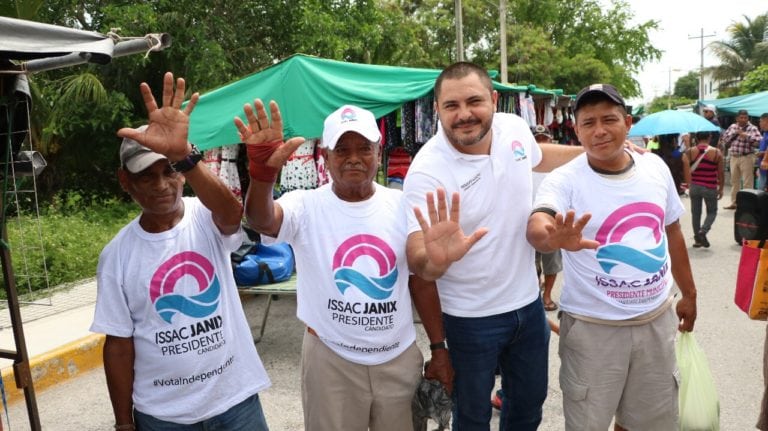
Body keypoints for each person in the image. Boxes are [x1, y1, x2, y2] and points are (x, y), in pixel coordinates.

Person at [240, 101, 453, 430]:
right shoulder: (304, 205)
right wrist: (263, 175)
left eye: (364, 148)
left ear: (378, 153)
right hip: (330, 360)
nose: (354, 157)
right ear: (325, 157)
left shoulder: (403, 204)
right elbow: (262, 219)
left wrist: (439, 349)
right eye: (342, 149)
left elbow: (420, 281)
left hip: (398, 359)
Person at [402, 61, 584, 430]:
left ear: (495, 100)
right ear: (437, 109)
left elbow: (539, 156)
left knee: (528, 405)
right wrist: (435, 263)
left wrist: (593, 153)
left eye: (474, 101)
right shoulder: (426, 172)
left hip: (528, 308)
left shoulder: (514, 129)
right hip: (469, 320)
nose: (464, 114)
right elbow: (419, 258)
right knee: (472, 417)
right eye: (451, 106)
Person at [90, 72, 271, 430]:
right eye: (146, 176)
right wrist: (124, 422)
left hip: (235, 402)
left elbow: (232, 215)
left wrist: (184, 156)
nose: (162, 185)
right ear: (125, 181)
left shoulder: (205, 215)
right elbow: (118, 344)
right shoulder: (117, 255)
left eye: (169, 171)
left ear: (183, 174)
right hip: (163, 417)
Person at [527, 83, 697, 431]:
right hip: (593, 330)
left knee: (651, 422)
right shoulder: (565, 180)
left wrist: (690, 294)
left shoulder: (655, 168)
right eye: (588, 123)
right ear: (576, 130)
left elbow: (673, 231)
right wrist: (552, 237)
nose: (599, 130)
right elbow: (538, 223)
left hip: (656, 320)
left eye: (609, 119)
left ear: (628, 122)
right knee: (589, 423)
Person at [532, 125, 563, 311]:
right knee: (530, 263)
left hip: (552, 220)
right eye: (538, 139)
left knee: (551, 263)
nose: (542, 142)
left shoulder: (559, 166)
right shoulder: (523, 164)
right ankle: (535, 295)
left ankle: (547, 296)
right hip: (527, 221)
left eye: (545, 139)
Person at [682, 131, 725, 248]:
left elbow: (686, 170)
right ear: (710, 137)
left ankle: (697, 239)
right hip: (710, 187)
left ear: (696, 138)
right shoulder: (716, 152)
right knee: (712, 212)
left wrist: (688, 185)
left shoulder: (689, 152)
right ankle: (703, 231)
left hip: (695, 186)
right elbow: (721, 173)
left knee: (696, 213)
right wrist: (721, 188)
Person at [723, 109, 762, 209]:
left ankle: (747, 205)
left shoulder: (752, 128)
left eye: (745, 117)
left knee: (747, 182)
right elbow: (725, 138)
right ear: (737, 118)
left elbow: (759, 140)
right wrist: (734, 133)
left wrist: (746, 136)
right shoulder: (732, 126)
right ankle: (734, 203)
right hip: (734, 157)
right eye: (741, 117)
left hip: (747, 157)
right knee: (734, 181)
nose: (743, 119)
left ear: (748, 118)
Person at [757, 113, 768, 191]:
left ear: (766, 121)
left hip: (766, 166)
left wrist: (762, 153)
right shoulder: (764, 133)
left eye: (761, 121)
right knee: (760, 191)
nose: (760, 123)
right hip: (762, 168)